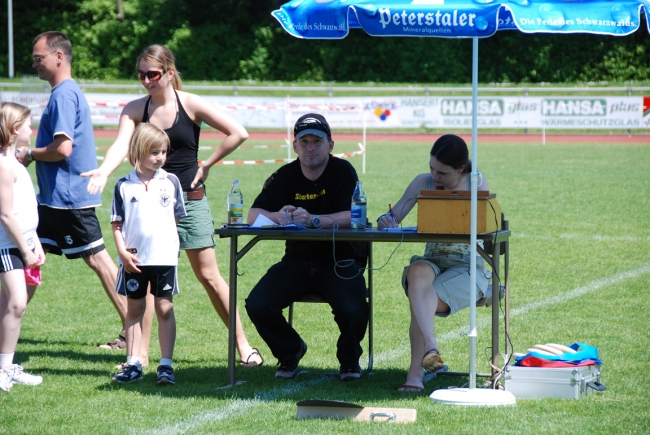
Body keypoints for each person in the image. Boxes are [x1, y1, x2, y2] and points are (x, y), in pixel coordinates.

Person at [81, 44, 263, 367]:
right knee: (148, 280)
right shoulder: (136, 109)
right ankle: (140, 357)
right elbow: (122, 145)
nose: (147, 81)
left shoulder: (189, 103)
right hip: (148, 209)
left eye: (153, 74)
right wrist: (104, 171)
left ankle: (244, 346)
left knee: (209, 276)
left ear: (169, 72)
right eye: (141, 75)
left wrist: (207, 164)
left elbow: (239, 133)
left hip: (190, 203)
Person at [15, 31, 128, 350]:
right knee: (32, 257)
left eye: (39, 58)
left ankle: (132, 332)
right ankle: (7, 324)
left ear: (58, 57)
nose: (34, 64)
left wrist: (29, 154)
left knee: (99, 261)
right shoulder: (62, 92)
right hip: (52, 199)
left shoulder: (64, 94)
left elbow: (63, 149)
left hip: (69, 199)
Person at [245, 113, 369, 381]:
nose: (310, 147)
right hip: (297, 261)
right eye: (304, 142)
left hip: (340, 260)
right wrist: (282, 216)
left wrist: (314, 221)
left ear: (330, 145)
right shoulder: (284, 175)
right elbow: (252, 216)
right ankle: (290, 352)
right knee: (257, 303)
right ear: (295, 146)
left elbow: (356, 217)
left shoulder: (343, 171)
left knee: (354, 308)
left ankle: (349, 361)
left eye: (317, 141)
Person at [377, 134, 491, 393]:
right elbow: (393, 215)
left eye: (442, 172)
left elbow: (479, 225)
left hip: (467, 263)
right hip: (433, 260)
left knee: (421, 298)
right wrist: (387, 219)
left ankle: (415, 375)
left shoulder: (475, 181)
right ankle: (431, 347)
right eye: (431, 168)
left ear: (461, 168)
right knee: (417, 272)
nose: (434, 176)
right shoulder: (422, 181)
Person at [110, 124, 186, 385]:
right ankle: (133, 363)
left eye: (164, 152)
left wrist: (169, 249)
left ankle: (166, 365)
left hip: (163, 258)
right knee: (135, 308)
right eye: (154, 152)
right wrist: (122, 251)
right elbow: (117, 223)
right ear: (138, 151)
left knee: (164, 307)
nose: (160, 157)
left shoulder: (171, 182)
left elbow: (174, 220)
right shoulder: (123, 185)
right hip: (134, 260)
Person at [0, 102, 45, 391]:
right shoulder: (3, 167)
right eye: (29, 125)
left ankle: (6, 365)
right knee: (17, 302)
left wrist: (35, 242)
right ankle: (4, 368)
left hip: (22, 244)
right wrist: (24, 250)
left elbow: (23, 210)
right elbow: (5, 214)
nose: (32, 130)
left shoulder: (15, 163)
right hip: (6, 247)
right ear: (16, 130)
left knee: (10, 304)